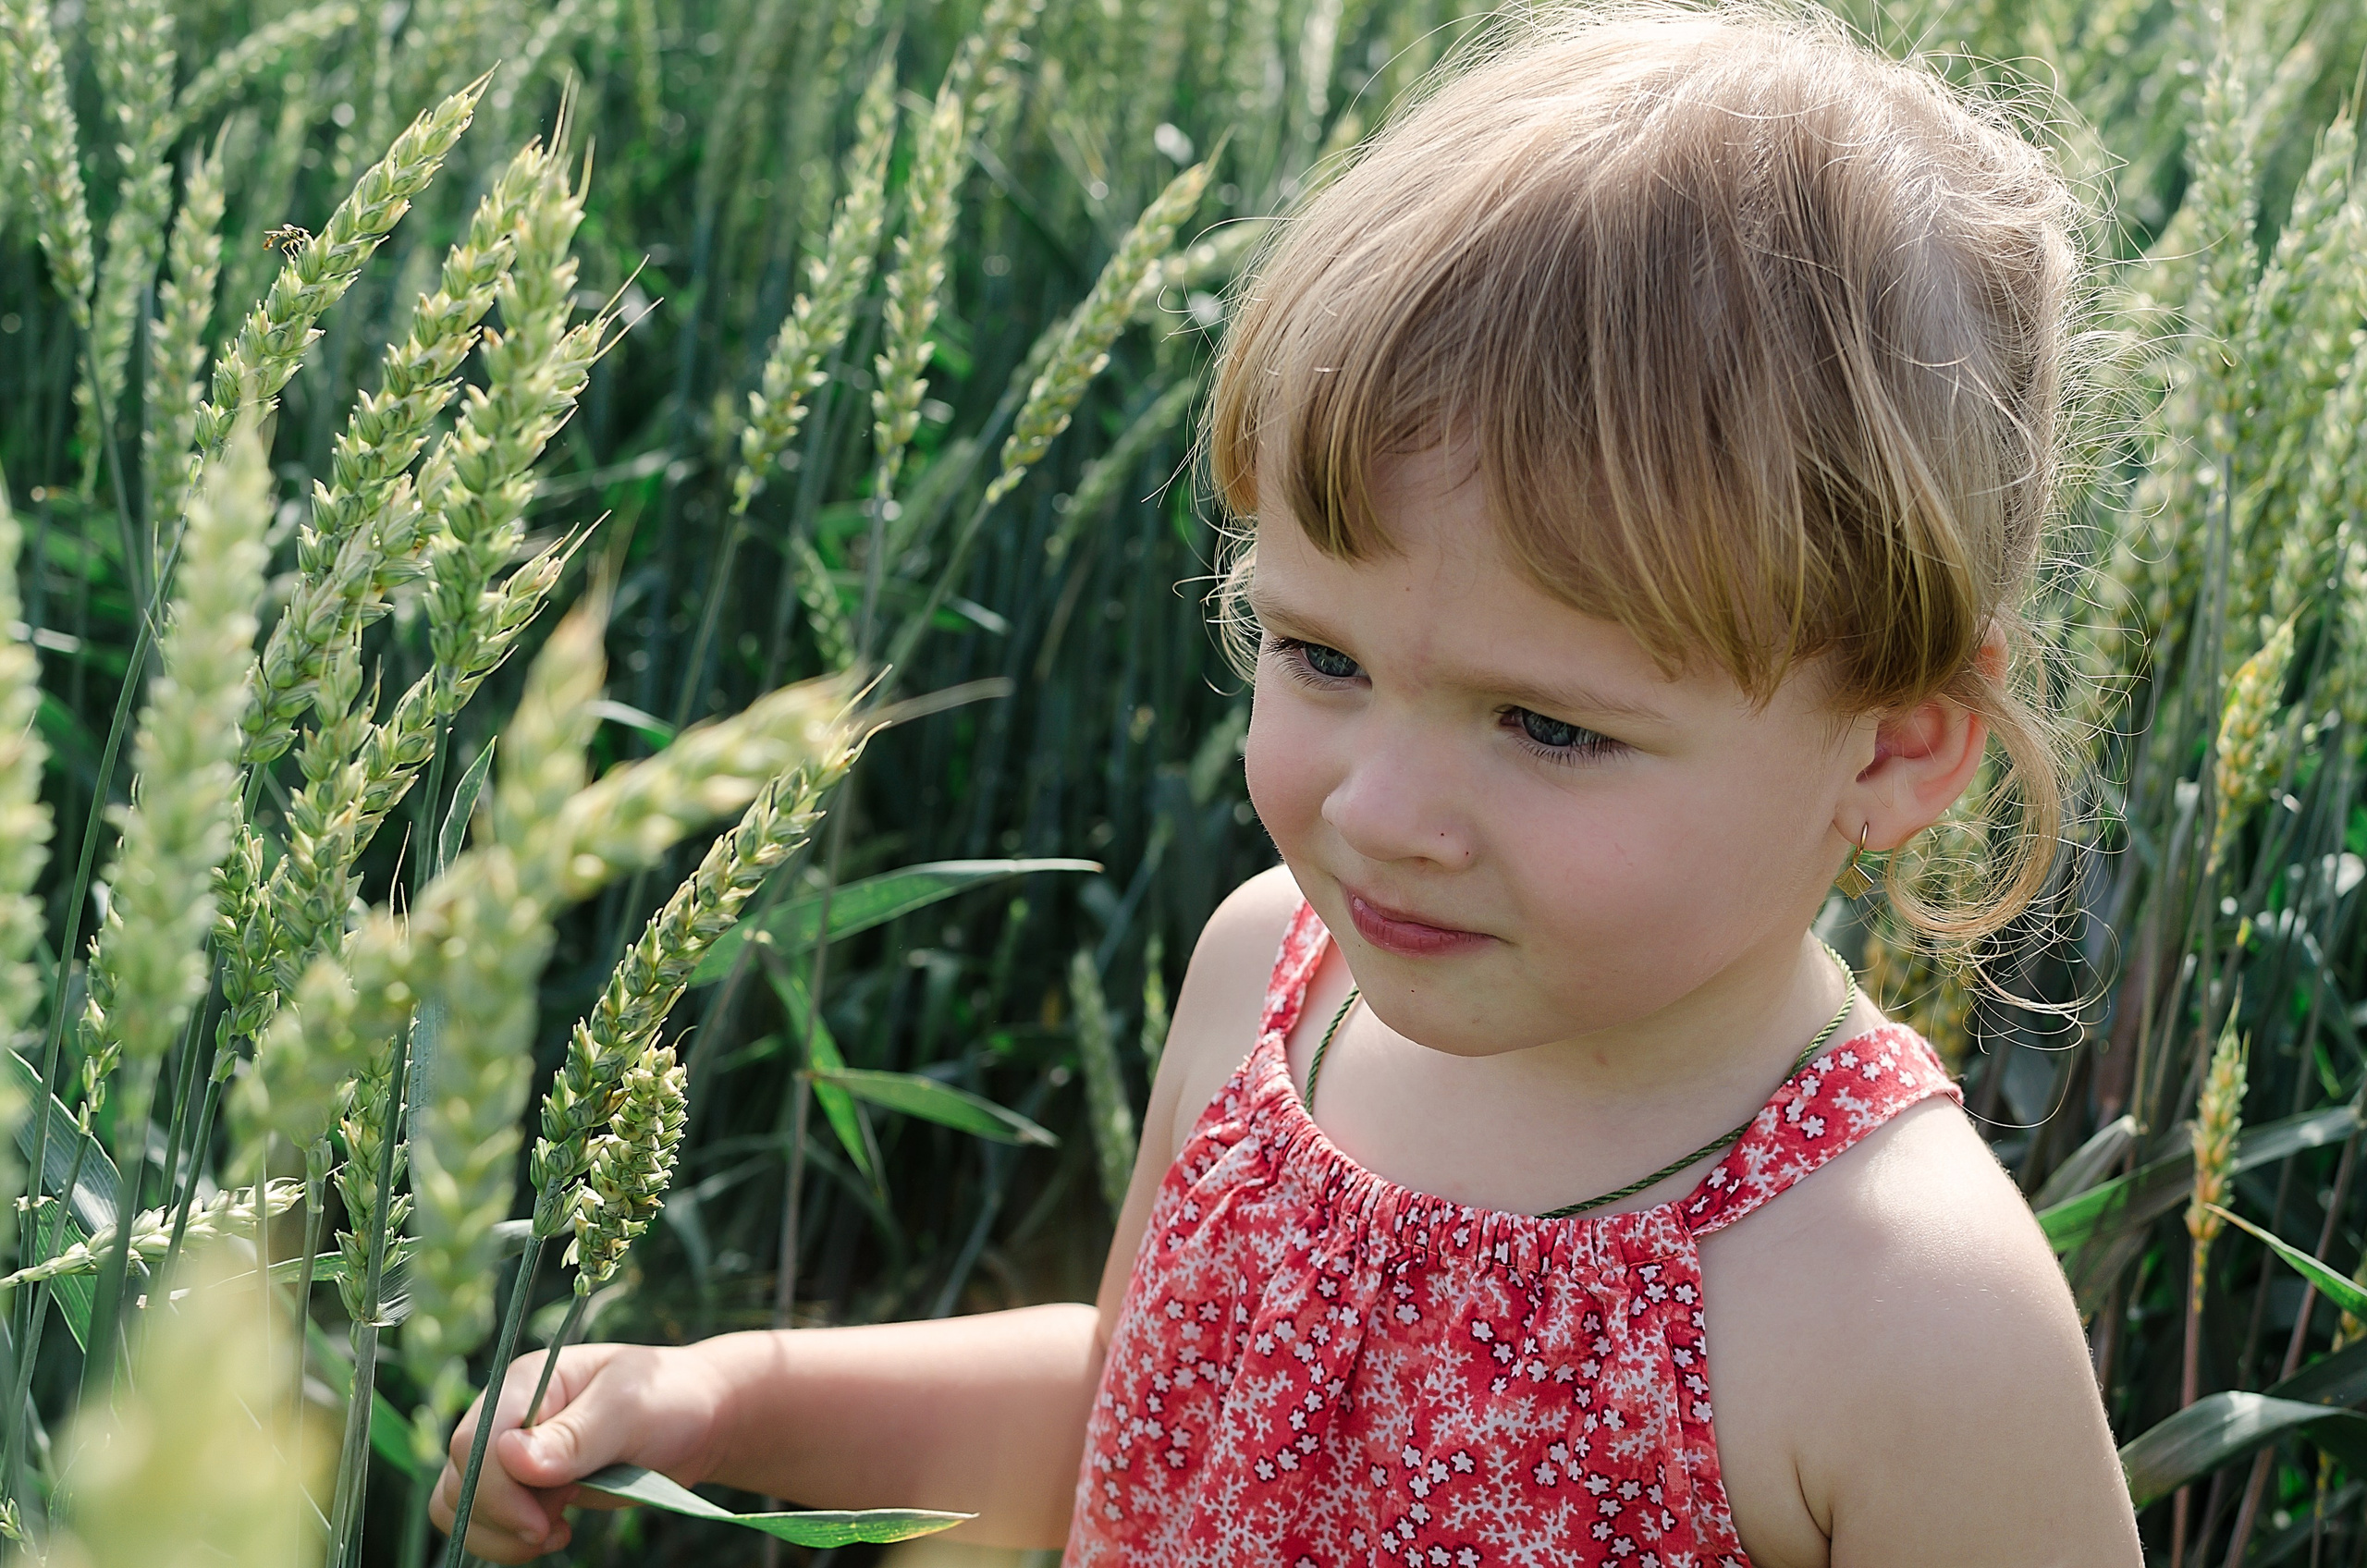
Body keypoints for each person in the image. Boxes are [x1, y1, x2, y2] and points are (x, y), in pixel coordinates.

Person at [433, 4, 2144, 1562]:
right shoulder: (1273, 977)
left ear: (1895, 747)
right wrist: (726, 1402)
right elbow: (1142, 1412)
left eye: (1548, 728)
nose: (1382, 810)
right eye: (1320, 657)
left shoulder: (1909, 1309)